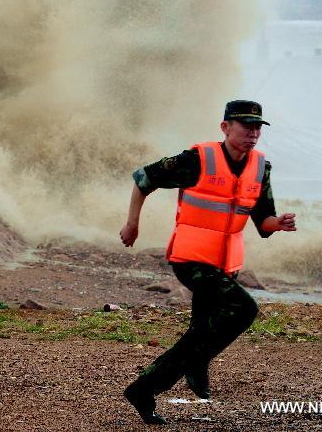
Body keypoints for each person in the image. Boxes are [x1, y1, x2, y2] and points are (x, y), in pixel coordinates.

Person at [119, 100, 297, 425]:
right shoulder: (198, 159)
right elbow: (144, 178)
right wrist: (133, 224)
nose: (253, 133)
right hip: (191, 258)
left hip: (226, 262)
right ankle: (146, 387)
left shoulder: (261, 167)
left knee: (203, 328)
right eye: (246, 126)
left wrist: (279, 223)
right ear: (226, 127)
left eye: (258, 127)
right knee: (244, 309)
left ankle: (194, 370)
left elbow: (263, 220)